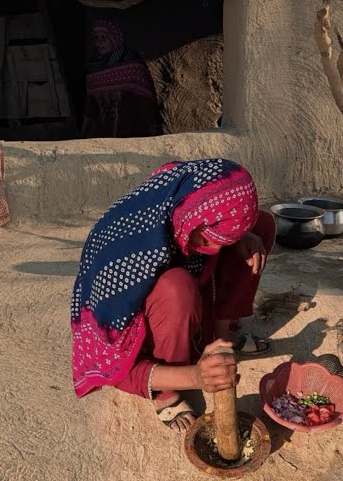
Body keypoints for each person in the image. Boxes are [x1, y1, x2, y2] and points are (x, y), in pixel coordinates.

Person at [70, 159, 275, 433]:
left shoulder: (182, 199)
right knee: (177, 288)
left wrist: (239, 236)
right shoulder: (123, 261)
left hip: (183, 303)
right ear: (194, 213)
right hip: (149, 326)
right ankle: (166, 392)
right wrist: (193, 376)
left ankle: (218, 336)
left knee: (259, 225)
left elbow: (220, 236)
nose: (214, 250)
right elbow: (108, 368)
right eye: (208, 238)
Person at [82, 20, 162, 139]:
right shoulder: (93, 67)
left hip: (133, 132)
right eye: (96, 38)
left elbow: (145, 104)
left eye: (104, 37)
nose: (99, 42)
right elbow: (91, 109)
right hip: (104, 135)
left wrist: (154, 133)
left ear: (114, 38)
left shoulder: (131, 63)